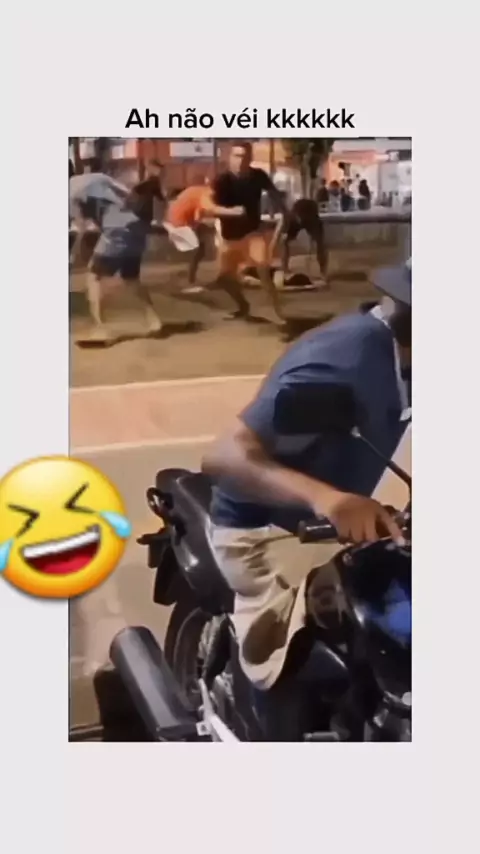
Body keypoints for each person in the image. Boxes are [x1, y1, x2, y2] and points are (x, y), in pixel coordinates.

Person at [202, 259, 411, 710]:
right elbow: (223, 456)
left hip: (336, 530)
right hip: (266, 533)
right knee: (334, 653)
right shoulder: (345, 355)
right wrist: (328, 499)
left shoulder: (410, 361)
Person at [69, 170, 162, 343]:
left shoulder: (70, 191)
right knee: (131, 279)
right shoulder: (98, 176)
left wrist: (74, 253)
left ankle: (101, 329)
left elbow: (81, 227)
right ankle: (154, 321)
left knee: (94, 277)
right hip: (137, 226)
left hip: (116, 230)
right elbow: (127, 194)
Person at [204, 141, 287, 324]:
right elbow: (210, 208)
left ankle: (277, 312)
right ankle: (243, 306)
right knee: (224, 279)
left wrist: (283, 212)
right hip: (230, 236)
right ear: (230, 158)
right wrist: (231, 211)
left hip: (253, 233)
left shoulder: (258, 176)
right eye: (237, 156)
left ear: (250, 158)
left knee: (263, 271)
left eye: (244, 156)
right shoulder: (222, 181)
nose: (240, 160)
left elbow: (274, 194)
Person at [163, 181, 214, 291]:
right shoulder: (206, 195)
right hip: (181, 225)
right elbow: (198, 217)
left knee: (199, 249)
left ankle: (188, 278)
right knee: (197, 251)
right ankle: (189, 281)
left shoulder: (198, 190)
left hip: (173, 221)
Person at [281, 197, 329, 284]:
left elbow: (320, 242)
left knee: (320, 244)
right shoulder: (290, 219)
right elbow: (283, 237)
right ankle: (284, 268)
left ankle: (323, 271)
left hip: (310, 218)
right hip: (295, 219)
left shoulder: (313, 220)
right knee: (284, 241)